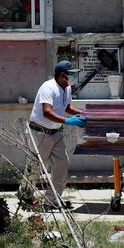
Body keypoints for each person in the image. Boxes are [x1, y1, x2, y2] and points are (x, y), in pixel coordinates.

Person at [28, 60, 87, 209]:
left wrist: (84, 113)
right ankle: (26, 197)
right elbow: (47, 112)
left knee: (62, 163)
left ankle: (51, 200)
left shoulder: (66, 88)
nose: (73, 78)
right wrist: (68, 121)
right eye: (71, 75)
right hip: (40, 132)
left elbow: (67, 107)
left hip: (55, 132)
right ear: (62, 75)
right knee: (35, 167)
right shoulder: (48, 88)